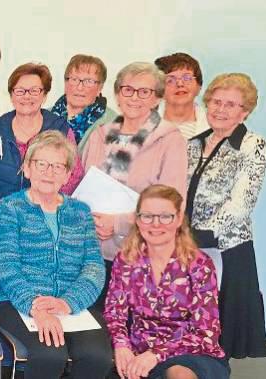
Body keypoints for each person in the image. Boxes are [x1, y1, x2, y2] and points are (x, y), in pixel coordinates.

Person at [0, 131, 112, 378]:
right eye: (41, 164)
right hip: (18, 301)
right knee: (49, 355)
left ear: (68, 175)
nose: (49, 172)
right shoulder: (9, 208)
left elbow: (94, 268)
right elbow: (6, 266)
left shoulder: (80, 212)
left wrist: (68, 302)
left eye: (58, 166)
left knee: (97, 356)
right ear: (27, 168)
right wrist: (36, 306)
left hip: (69, 304)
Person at [80, 61, 188, 309]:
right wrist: (92, 221)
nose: (135, 97)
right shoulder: (100, 134)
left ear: (157, 98)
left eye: (145, 92)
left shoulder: (169, 140)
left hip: (141, 255)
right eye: (128, 89)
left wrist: (116, 223)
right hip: (92, 254)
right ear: (118, 94)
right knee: (98, 336)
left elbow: (171, 205)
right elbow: (82, 186)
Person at [105, 184, 229, 379]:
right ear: (137, 220)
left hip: (190, 353)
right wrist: (121, 346)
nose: (156, 224)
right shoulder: (126, 260)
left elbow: (206, 333)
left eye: (165, 216)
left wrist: (156, 354)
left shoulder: (199, 264)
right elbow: (115, 314)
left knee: (178, 374)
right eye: (147, 216)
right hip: (139, 353)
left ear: (179, 219)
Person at [186, 73, 266, 359]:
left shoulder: (253, 144)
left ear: (244, 111)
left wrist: (201, 236)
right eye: (216, 102)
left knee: (222, 336)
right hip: (188, 248)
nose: (220, 109)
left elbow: (242, 202)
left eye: (231, 105)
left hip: (226, 249)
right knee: (190, 330)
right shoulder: (193, 143)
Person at [0, 62, 82, 223]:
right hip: (0, 219)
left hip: (46, 220)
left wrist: (48, 208)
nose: (26, 96)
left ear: (44, 95)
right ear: (11, 95)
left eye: (34, 91)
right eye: (20, 90)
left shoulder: (61, 131)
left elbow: (74, 175)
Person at [50, 54, 119, 149]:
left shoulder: (113, 123)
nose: (80, 87)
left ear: (100, 87)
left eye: (89, 81)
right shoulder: (44, 116)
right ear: (65, 83)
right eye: (74, 79)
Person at [155, 52, 209, 139]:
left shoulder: (214, 125)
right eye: (170, 80)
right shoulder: (143, 125)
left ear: (199, 86)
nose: (180, 84)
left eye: (187, 78)